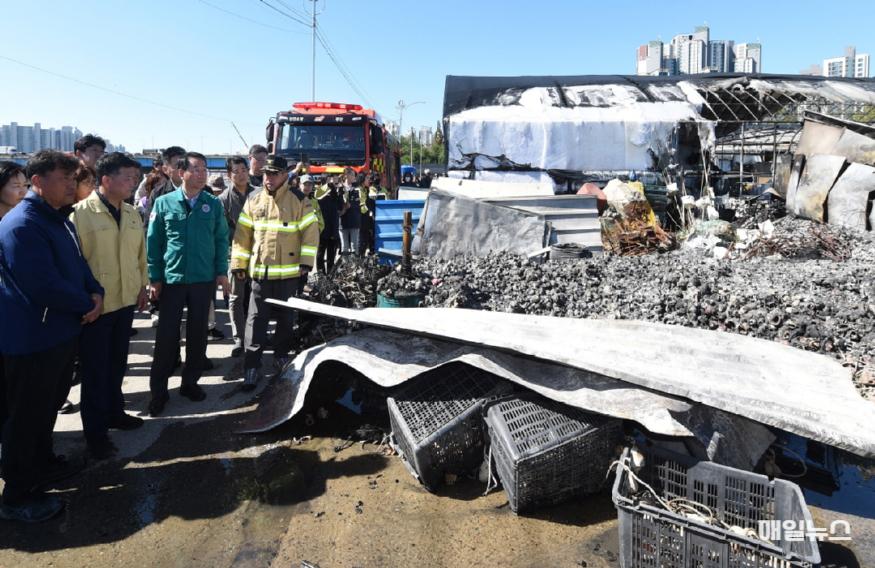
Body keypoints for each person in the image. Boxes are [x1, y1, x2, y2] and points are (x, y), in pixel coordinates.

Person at [0, 150, 104, 522]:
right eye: (65, 180)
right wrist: (84, 303)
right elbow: (42, 285)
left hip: (59, 332)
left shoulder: (59, 220)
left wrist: (95, 292)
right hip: (33, 339)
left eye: (75, 180)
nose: (73, 186)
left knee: (46, 408)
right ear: (39, 182)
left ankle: (41, 464)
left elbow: (78, 265)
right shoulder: (23, 225)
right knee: (25, 416)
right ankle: (17, 494)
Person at [70, 153, 148, 459]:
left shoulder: (130, 213)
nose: (134, 183)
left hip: (126, 300)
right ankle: (96, 434)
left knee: (117, 364)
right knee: (94, 372)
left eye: (135, 177)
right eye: (128, 177)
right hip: (96, 309)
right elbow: (74, 263)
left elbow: (139, 255)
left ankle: (116, 413)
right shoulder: (80, 214)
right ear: (106, 179)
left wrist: (142, 285)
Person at [146, 152, 229, 416]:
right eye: (196, 169)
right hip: (172, 280)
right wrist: (154, 278)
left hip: (202, 280)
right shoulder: (163, 203)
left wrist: (221, 273)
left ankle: (190, 383)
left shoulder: (212, 204)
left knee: (197, 334)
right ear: (181, 173)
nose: (202, 173)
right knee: (166, 337)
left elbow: (221, 240)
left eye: (204, 169)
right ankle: (158, 392)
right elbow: (154, 243)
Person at [231, 155, 319, 391]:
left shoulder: (299, 200)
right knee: (255, 321)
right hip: (260, 274)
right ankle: (252, 366)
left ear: (284, 176)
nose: (268, 179)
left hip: (289, 275)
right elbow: (242, 235)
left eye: (273, 174)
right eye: (265, 174)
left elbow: (311, 233)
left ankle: (281, 357)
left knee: (285, 320)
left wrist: (306, 263)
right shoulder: (253, 199)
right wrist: (239, 264)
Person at [218, 156, 257, 357]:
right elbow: (222, 234)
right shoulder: (223, 200)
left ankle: (254, 335)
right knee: (235, 298)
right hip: (235, 254)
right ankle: (239, 338)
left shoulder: (259, 194)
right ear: (229, 175)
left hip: (258, 254)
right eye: (236, 171)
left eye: (244, 170)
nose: (241, 174)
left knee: (256, 297)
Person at [315, 176, 343, 273]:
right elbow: (317, 196)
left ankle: (330, 274)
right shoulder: (318, 194)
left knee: (332, 254)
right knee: (320, 253)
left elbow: (340, 206)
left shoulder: (335, 195)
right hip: (323, 230)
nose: (331, 185)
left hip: (333, 229)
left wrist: (339, 191)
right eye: (329, 182)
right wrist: (328, 186)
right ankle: (320, 273)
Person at [339, 167, 360, 255]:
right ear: (346, 176)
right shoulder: (339, 189)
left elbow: (359, 203)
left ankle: (355, 266)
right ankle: (346, 266)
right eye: (352, 175)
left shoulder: (356, 188)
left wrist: (351, 205)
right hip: (342, 222)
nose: (354, 177)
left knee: (354, 246)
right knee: (344, 247)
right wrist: (343, 208)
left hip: (354, 221)